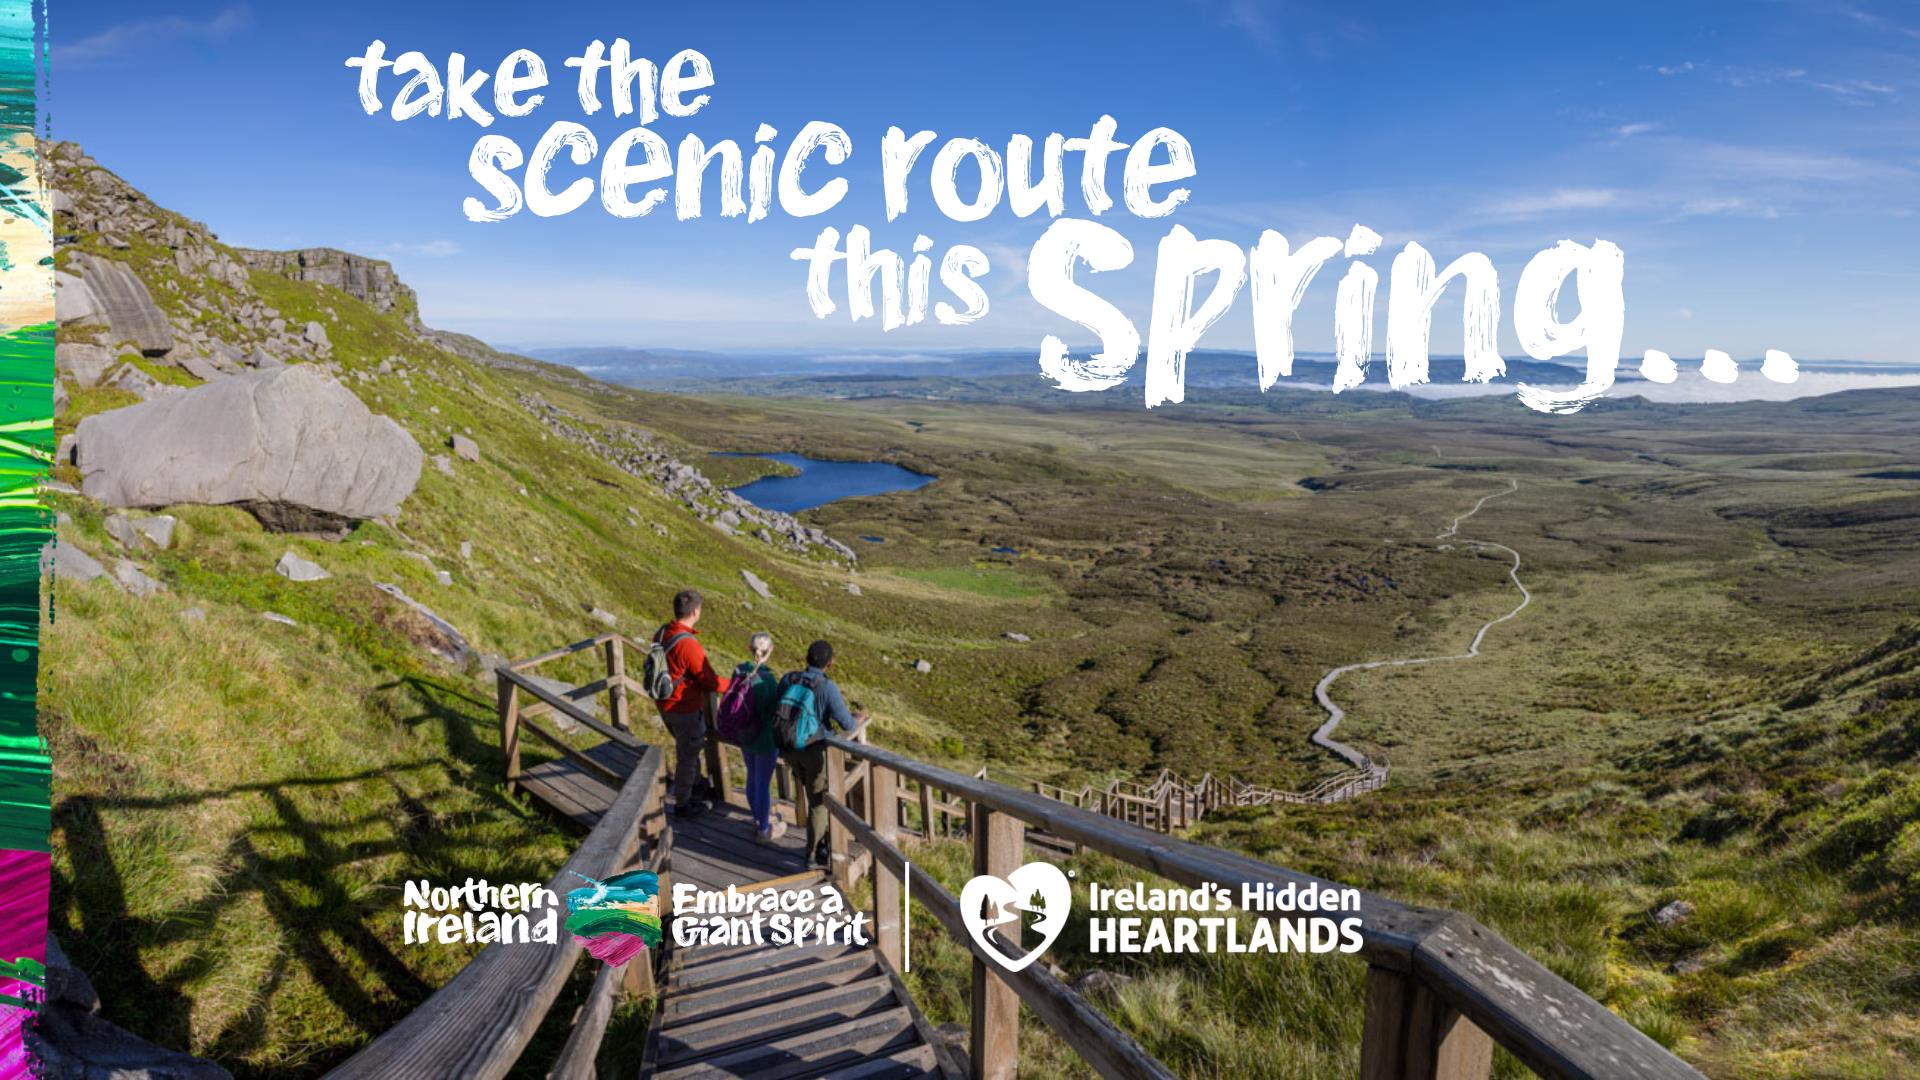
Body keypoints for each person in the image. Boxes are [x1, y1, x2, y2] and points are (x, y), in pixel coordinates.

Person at [781, 639, 866, 867]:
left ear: (807, 658)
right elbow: (847, 724)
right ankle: (812, 855)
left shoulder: (789, 679)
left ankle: (820, 841)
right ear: (830, 663)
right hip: (815, 751)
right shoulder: (827, 687)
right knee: (818, 803)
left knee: (810, 794)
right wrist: (858, 720)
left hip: (789, 749)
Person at [653, 589, 728, 819]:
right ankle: (683, 805)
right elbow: (709, 680)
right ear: (695, 611)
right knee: (687, 755)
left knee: (687, 747)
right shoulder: (688, 644)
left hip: (664, 703)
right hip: (684, 708)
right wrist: (736, 685)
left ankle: (697, 784)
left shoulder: (662, 632)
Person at [733, 632, 787, 844]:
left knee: (752, 776)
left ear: (749, 648)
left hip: (745, 734)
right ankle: (764, 829)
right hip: (764, 737)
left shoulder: (740, 670)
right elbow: (774, 711)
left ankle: (758, 819)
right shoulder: (768, 679)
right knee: (763, 782)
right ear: (770, 651)